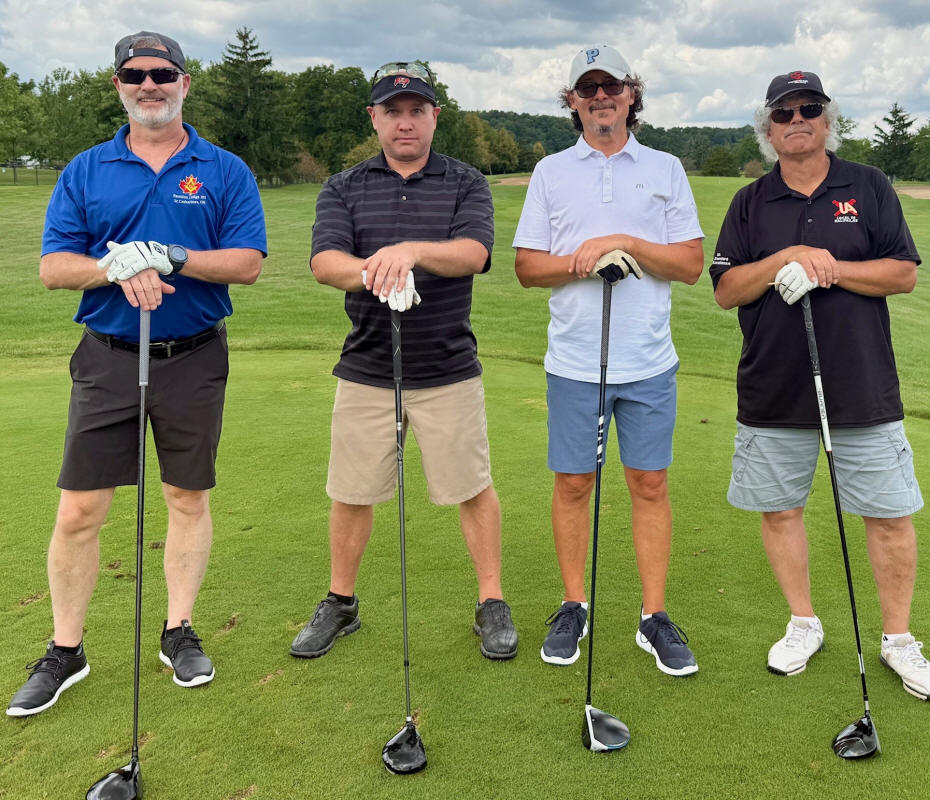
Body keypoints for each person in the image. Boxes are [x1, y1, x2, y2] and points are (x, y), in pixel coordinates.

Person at [6, 31, 266, 718]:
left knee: (186, 497)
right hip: (108, 358)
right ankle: (66, 650)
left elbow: (246, 262)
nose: (149, 85)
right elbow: (53, 267)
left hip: (194, 357)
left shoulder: (223, 169)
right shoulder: (87, 169)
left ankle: (178, 631)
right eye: (134, 74)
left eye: (162, 73)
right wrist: (113, 266)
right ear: (118, 84)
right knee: (79, 509)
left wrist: (169, 255)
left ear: (184, 82)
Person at [710, 71, 930, 701]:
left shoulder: (867, 185)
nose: (797, 120)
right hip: (773, 385)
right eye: (783, 113)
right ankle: (803, 622)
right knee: (780, 509)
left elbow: (902, 273)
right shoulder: (750, 202)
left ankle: (897, 639)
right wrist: (783, 259)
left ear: (827, 119)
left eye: (808, 108)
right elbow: (726, 289)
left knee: (889, 515)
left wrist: (829, 269)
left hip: (861, 382)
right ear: (767, 130)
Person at [291, 61, 517, 663]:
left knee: (473, 487)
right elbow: (325, 262)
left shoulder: (465, 182)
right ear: (375, 118)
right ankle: (341, 602)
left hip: (447, 366)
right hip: (367, 366)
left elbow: (474, 253)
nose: (405, 122)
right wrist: (378, 271)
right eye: (393, 112)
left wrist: (409, 251)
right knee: (351, 491)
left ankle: (491, 600)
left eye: (417, 110)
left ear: (434, 116)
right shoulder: (343, 186)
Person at [513, 45, 704, 676]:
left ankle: (654, 615)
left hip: (648, 361)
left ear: (631, 94)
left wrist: (623, 242)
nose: (601, 96)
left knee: (649, 484)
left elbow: (690, 264)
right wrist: (583, 262)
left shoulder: (665, 168)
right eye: (587, 87)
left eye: (612, 85)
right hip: (574, 361)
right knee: (574, 484)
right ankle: (574, 604)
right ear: (572, 100)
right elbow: (526, 267)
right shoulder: (550, 172)